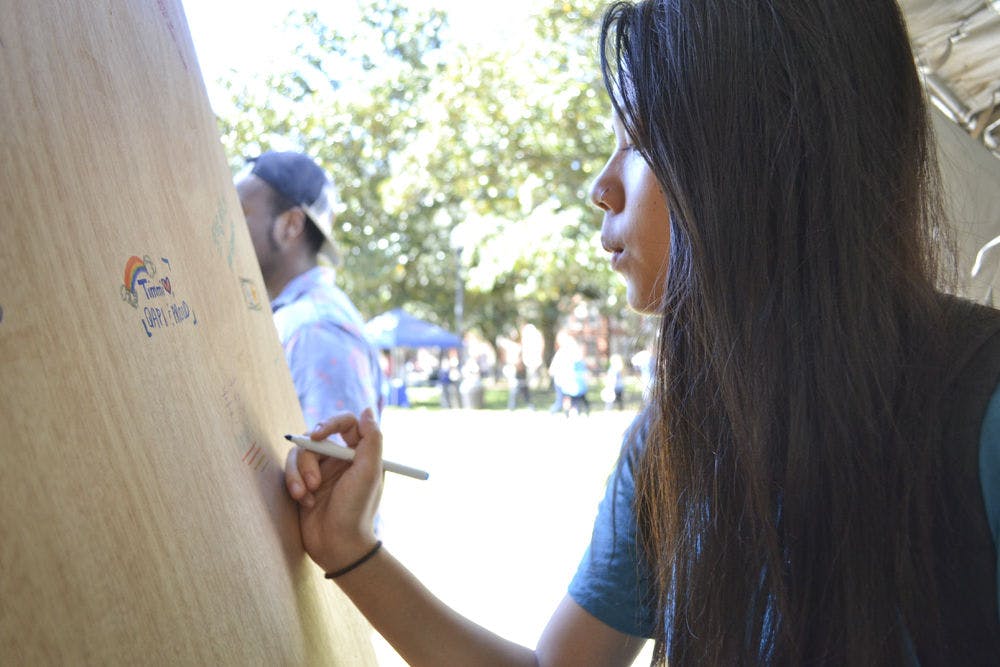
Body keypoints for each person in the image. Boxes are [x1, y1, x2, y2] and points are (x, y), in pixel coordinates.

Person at [284, 1, 1000, 664]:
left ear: (765, 148)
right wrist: (350, 548)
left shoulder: (982, 410)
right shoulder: (671, 439)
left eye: (641, 140)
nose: (600, 184)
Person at [236, 150, 385, 426]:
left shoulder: (314, 330)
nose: (227, 227)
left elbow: (335, 467)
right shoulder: (299, 319)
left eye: (241, 213)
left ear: (291, 225)